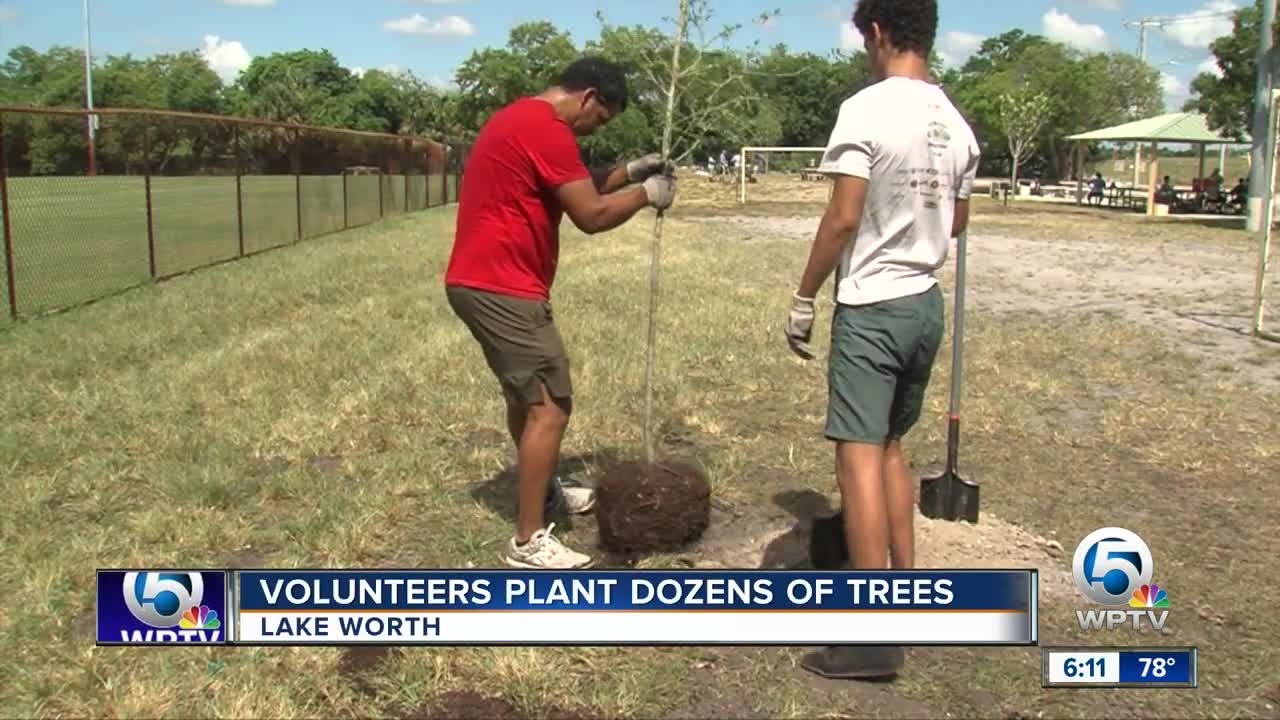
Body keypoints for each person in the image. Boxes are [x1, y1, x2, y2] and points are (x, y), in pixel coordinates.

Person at [783, 0, 979, 680]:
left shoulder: (866, 109)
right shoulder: (956, 122)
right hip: (925, 305)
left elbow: (842, 217)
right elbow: (955, 222)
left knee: (858, 458)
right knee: (893, 450)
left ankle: (871, 639)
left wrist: (804, 296)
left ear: (876, 31)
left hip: (872, 305)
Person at [444, 57, 678, 570]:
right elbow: (591, 215)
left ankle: (545, 489)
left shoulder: (519, 119)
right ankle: (529, 541)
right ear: (589, 97)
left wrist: (628, 171)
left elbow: (579, 183)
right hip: (503, 286)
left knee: (525, 397)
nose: (598, 127)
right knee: (550, 407)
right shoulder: (547, 129)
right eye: (603, 118)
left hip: (478, 280)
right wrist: (646, 194)